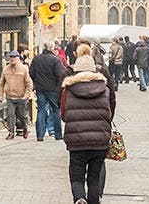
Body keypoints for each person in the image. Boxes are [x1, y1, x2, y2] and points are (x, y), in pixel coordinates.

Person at [62, 54, 117, 204]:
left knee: (77, 175)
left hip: (76, 140)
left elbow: (63, 114)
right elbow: (109, 111)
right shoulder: (104, 89)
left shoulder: (68, 89)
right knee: (94, 178)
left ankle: (79, 198)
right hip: (99, 140)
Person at [31, 42, 69, 141]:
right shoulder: (55, 60)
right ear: (52, 49)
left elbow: (31, 73)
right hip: (53, 89)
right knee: (56, 110)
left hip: (40, 89)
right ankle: (58, 134)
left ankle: (40, 135)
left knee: (41, 110)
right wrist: (58, 85)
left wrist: (36, 82)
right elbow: (60, 74)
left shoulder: (36, 59)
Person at [1, 51, 34, 140]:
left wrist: (26, 95)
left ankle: (25, 128)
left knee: (22, 116)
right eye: (11, 57)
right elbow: (1, 83)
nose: (12, 59)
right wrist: (1, 94)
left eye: (14, 57)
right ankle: (11, 133)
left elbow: (29, 84)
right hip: (10, 97)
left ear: (18, 58)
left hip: (21, 97)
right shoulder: (5, 69)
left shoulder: (23, 69)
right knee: (11, 115)